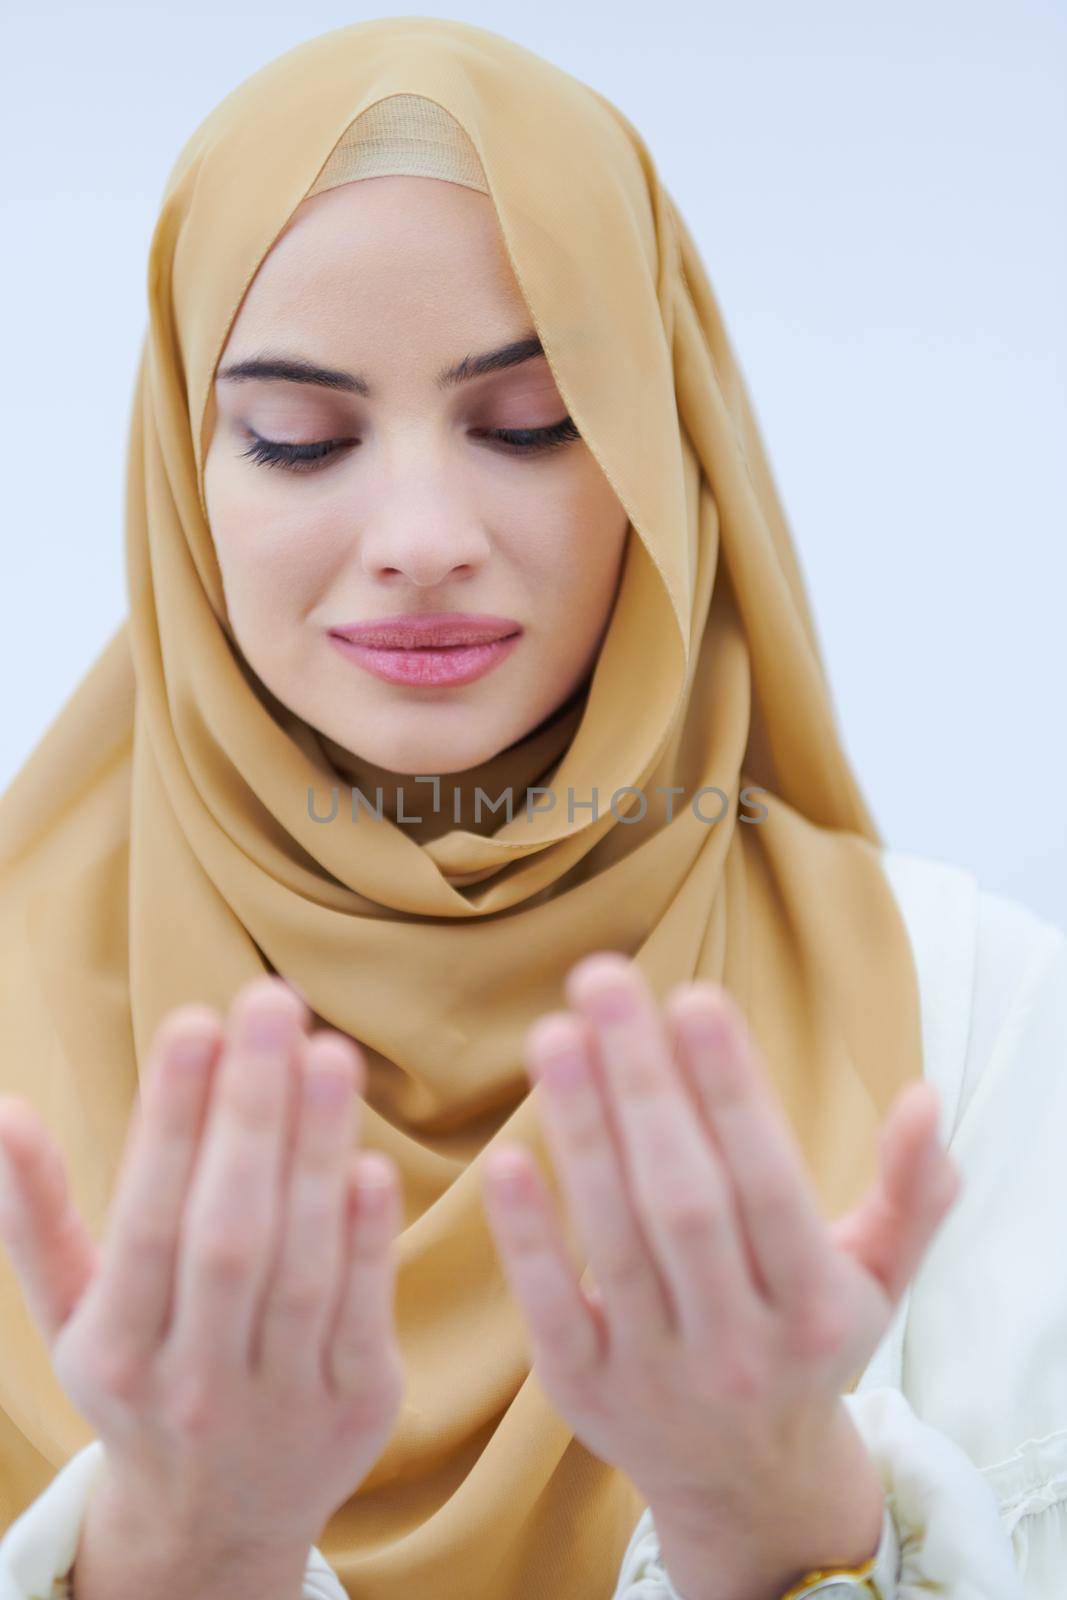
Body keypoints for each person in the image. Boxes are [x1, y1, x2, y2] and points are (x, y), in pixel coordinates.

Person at [0, 17, 1063, 1600]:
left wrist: (776, 1511)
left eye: (530, 425)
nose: (421, 535)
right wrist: (179, 1548)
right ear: (183, 475)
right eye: (299, 440)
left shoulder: (971, 1022)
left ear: (664, 447)